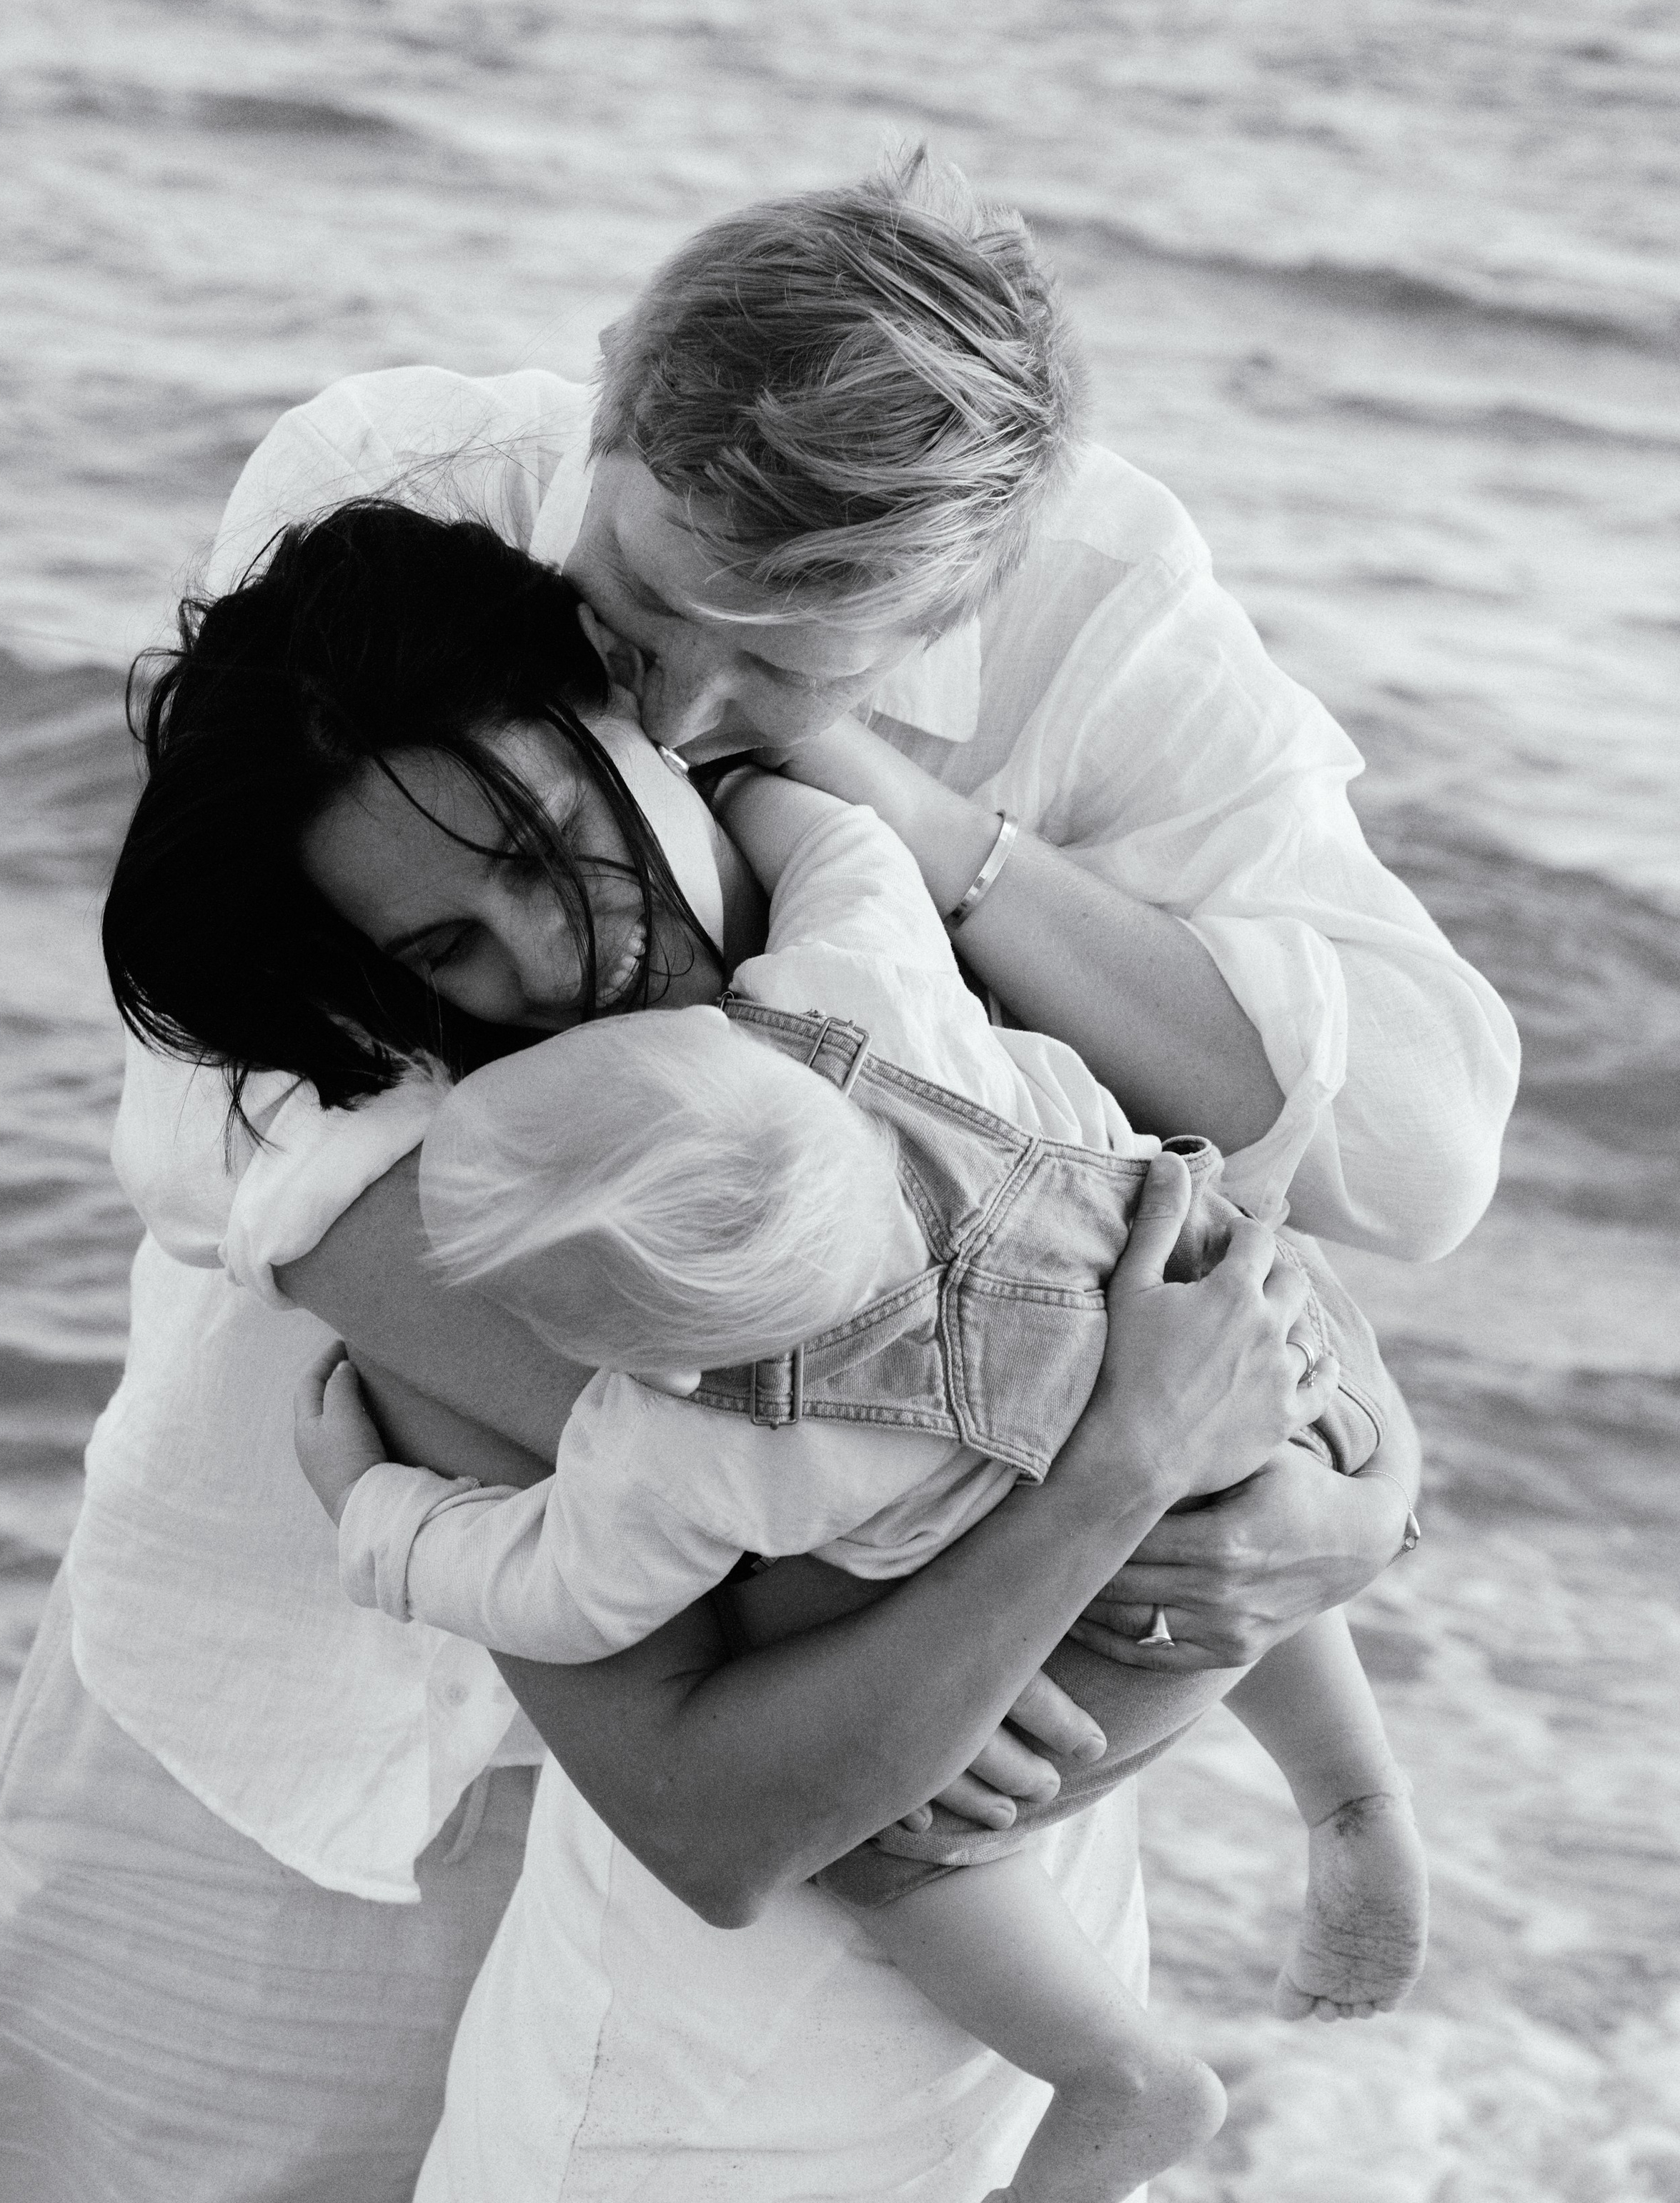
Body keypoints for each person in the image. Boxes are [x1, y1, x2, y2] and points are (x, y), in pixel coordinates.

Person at [0, 151, 1500, 2199]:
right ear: (618, 397)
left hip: (912, 1758)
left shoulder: (1092, 614)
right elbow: (226, 1106)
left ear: (969, 587)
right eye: (642, 608)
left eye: (790, 661)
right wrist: (904, 1535)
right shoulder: (401, 484)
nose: (682, 705)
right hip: (300, 1689)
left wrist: (926, 826)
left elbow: (1418, 1149)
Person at [274, 734, 1428, 2203]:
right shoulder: (870, 1020)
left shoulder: (704, 1440)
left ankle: (1115, 2071)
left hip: (1081, 1678)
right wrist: (762, 782)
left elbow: (549, 1590)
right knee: (1217, 1489)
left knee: (887, 1851)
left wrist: (372, 1515)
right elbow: (857, 864)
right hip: (1260, 1402)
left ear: (641, 1353)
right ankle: (1351, 1798)